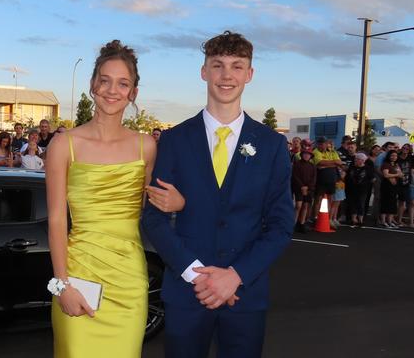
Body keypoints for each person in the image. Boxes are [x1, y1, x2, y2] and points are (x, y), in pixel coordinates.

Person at [142, 31, 293, 358]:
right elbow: (153, 219)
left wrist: (235, 276)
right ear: (204, 71)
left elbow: (281, 226)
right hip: (187, 291)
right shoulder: (173, 140)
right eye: (218, 65)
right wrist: (197, 275)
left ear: (249, 75)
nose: (227, 75)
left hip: (245, 293)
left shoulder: (271, 144)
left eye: (237, 67)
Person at [47, 40, 181, 358]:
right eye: (105, 80)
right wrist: (61, 284)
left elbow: (154, 212)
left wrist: (178, 204)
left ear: (133, 92)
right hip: (78, 278)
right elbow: (55, 220)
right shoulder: (63, 145)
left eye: (123, 83)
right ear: (93, 84)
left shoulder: (146, 146)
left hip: (129, 284)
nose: (112, 90)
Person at [312, 136, 342, 223]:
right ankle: (315, 217)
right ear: (317, 144)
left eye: (324, 143)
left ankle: (326, 218)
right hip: (320, 179)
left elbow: (339, 162)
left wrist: (327, 164)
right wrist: (334, 163)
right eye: (320, 143)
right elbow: (320, 163)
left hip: (332, 179)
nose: (322, 145)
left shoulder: (332, 151)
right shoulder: (315, 152)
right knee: (318, 199)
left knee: (330, 199)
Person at [346, 152, 374, 227]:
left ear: (362, 160)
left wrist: (366, 184)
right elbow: (348, 177)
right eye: (355, 159)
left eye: (357, 159)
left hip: (363, 189)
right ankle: (353, 220)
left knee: (361, 204)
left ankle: (361, 220)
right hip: (352, 188)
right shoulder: (352, 167)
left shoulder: (367, 168)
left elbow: (372, 179)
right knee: (353, 204)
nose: (355, 161)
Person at [292, 149, 316, 233]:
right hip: (299, 188)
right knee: (298, 205)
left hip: (309, 188)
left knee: (305, 205)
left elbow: (313, 178)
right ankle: (293, 224)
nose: (306, 156)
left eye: (308, 154)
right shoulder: (297, 164)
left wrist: (308, 187)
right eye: (305, 154)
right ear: (302, 155)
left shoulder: (312, 166)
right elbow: (295, 176)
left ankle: (301, 223)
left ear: (310, 156)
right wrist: (302, 186)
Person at [380, 150, 402, 228]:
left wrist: (396, 175)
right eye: (392, 155)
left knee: (392, 204)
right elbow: (385, 175)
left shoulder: (396, 165)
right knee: (385, 203)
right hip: (386, 186)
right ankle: (383, 221)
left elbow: (401, 174)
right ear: (389, 156)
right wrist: (396, 175)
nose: (394, 157)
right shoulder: (385, 164)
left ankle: (390, 221)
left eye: (395, 156)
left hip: (394, 187)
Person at [396, 144, 413, 226]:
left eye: (407, 148)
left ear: (409, 150)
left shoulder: (410, 158)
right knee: (398, 202)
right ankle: (396, 219)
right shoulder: (397, 157)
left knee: (403, 202)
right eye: (404, 148)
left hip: (407, 183)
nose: (405, 149)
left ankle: (399, 219)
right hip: (397, 182)